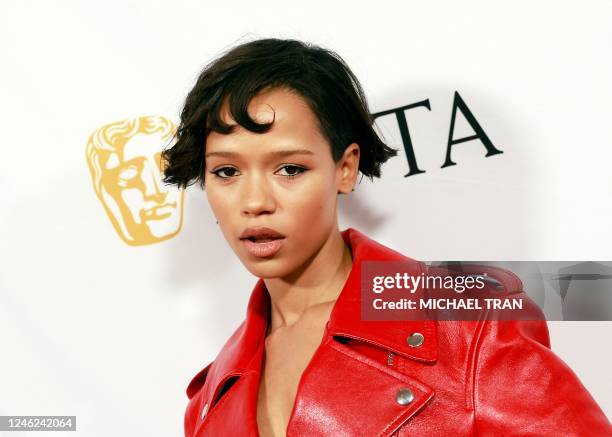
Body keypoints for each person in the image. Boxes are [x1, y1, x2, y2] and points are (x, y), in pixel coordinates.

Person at [161, 38, 612, 436]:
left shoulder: (465, 325)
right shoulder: (208, 405)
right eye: (226, 171)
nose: (255, 201)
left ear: (345, 167)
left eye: (290, 169)